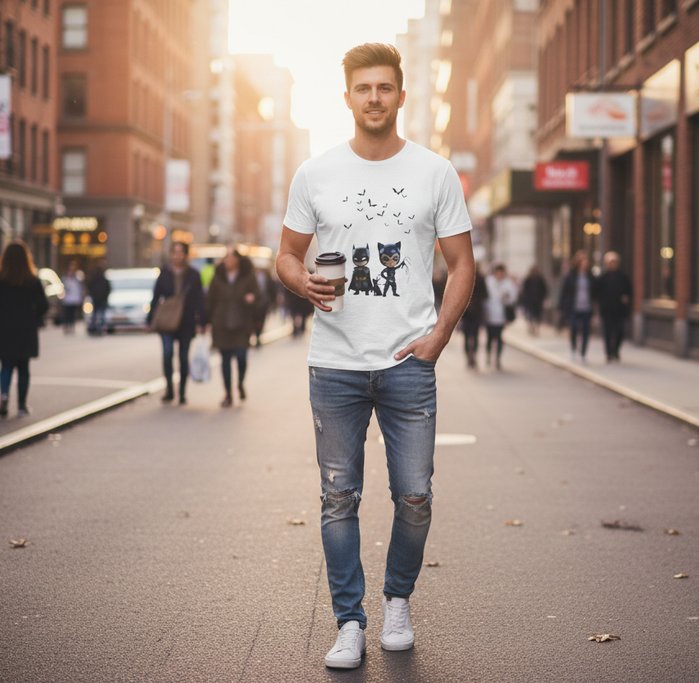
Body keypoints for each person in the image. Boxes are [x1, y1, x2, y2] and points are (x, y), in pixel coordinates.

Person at [275, 43, 475, 670]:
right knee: (340, 498)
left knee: (414, 496)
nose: (374, 98)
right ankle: (349, 622)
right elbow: (283, 253)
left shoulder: (435, 172)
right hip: (334, 363)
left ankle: (397, 601)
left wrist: (439, 336)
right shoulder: (315, 174)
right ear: (348, 98)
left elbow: (463, 263)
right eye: (363, 88)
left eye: (384, 88)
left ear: (400, 95)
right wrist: (299, 281)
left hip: (407, 362)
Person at [0, 240, 49, 418]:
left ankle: (4, 394)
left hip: (3, 327)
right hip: (25, 328)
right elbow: (43, 305)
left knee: (5, 365)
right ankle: (21, 405)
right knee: (23, 367)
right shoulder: (32, 280)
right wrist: (33, 316)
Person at [147, 241, 205, 404]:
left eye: (181, 252)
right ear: (171, 254)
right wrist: (150, 318)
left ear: (185, 255)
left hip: (186, 322)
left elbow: (200, 299)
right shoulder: (164, 273)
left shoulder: (193, 274)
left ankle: (182, 392)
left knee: (183, 357)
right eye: (175, 252)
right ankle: (169, 389)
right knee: (167, 354)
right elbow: (156, 296)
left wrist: (201, 321)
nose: (178, 255)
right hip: (167, 321)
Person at [205, 248, 262, 406]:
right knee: (225, 360)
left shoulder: (248, 277)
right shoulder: (218, 277)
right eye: (226, 257)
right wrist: (206, 321)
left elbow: (259, 295)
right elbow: (210, 300)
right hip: (221, 324)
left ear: (237, 260)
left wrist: (252, 297)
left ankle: (240, 384)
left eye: (231, 257)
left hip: (242, 323)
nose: (227, 260)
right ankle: (228, 394)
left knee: (242, 357)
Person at [557, 251, 597, 363]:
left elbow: (596, 292)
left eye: (586, 261)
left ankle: (583, 353)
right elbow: (564, 292)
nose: (584, 263)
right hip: (573, 308)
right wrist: (561, 308)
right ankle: (574, 350)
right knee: (573, 329)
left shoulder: (590, 277)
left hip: (587, 308)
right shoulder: (570, 276)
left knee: (585, 331)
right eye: (582, 261)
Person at [597, 251, 632, 362]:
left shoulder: (623, 277)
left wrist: (626, 298)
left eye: (614, 262)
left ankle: (616, 351)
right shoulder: (602, 278)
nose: (612, 264)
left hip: (619, 310)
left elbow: (629, 291)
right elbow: (597, 293)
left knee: (620, 332)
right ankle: (609, 353)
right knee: (607, 332)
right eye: (610, 262)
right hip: (607, 310)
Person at [483, 263, 518, 370]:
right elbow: (484, 298)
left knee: (499, 338)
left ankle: (497, 359)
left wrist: (506, 298)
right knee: (489, 338)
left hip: (502, 316)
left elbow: (513, 298)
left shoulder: (508, 283)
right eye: (497, 272)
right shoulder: (488, 282)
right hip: (489, 315)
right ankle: (488, 355)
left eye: (501, 273)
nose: (499, 274)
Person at [460, 267, 487, 369]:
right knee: (474, 337)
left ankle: (469, 358)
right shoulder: (481, 279)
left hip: (467, 313)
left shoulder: (463, 278)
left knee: (467, 337)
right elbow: (485, 295)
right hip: (475, 313)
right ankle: (472, 357)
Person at [519, 265, 548, 336]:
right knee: (533, 315)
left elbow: (544, 290)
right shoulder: (529, 279)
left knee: (535, 315)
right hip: (532, 301)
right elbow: (524, 290)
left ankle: (535, 327)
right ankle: (533, 326)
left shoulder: (539, 279)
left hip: (536, 301)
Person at [85, 259, 111, 336]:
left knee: (95, 314)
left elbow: (88, 286)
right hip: (101, 298)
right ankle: (100, 328)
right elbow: (108, 288)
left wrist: (92, 294)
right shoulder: (103, 277)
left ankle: (94, 328)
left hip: (96, 298)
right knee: (101, 314)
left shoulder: (94, 277)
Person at [59, 261, 84, 334]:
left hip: (74, 299)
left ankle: (71, 327)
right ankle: (66, 327)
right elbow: (63, 288)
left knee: (72, 314)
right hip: (67, 300)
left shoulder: (77, 279)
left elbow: (80, 289)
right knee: (66, 314)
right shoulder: (65, 279)